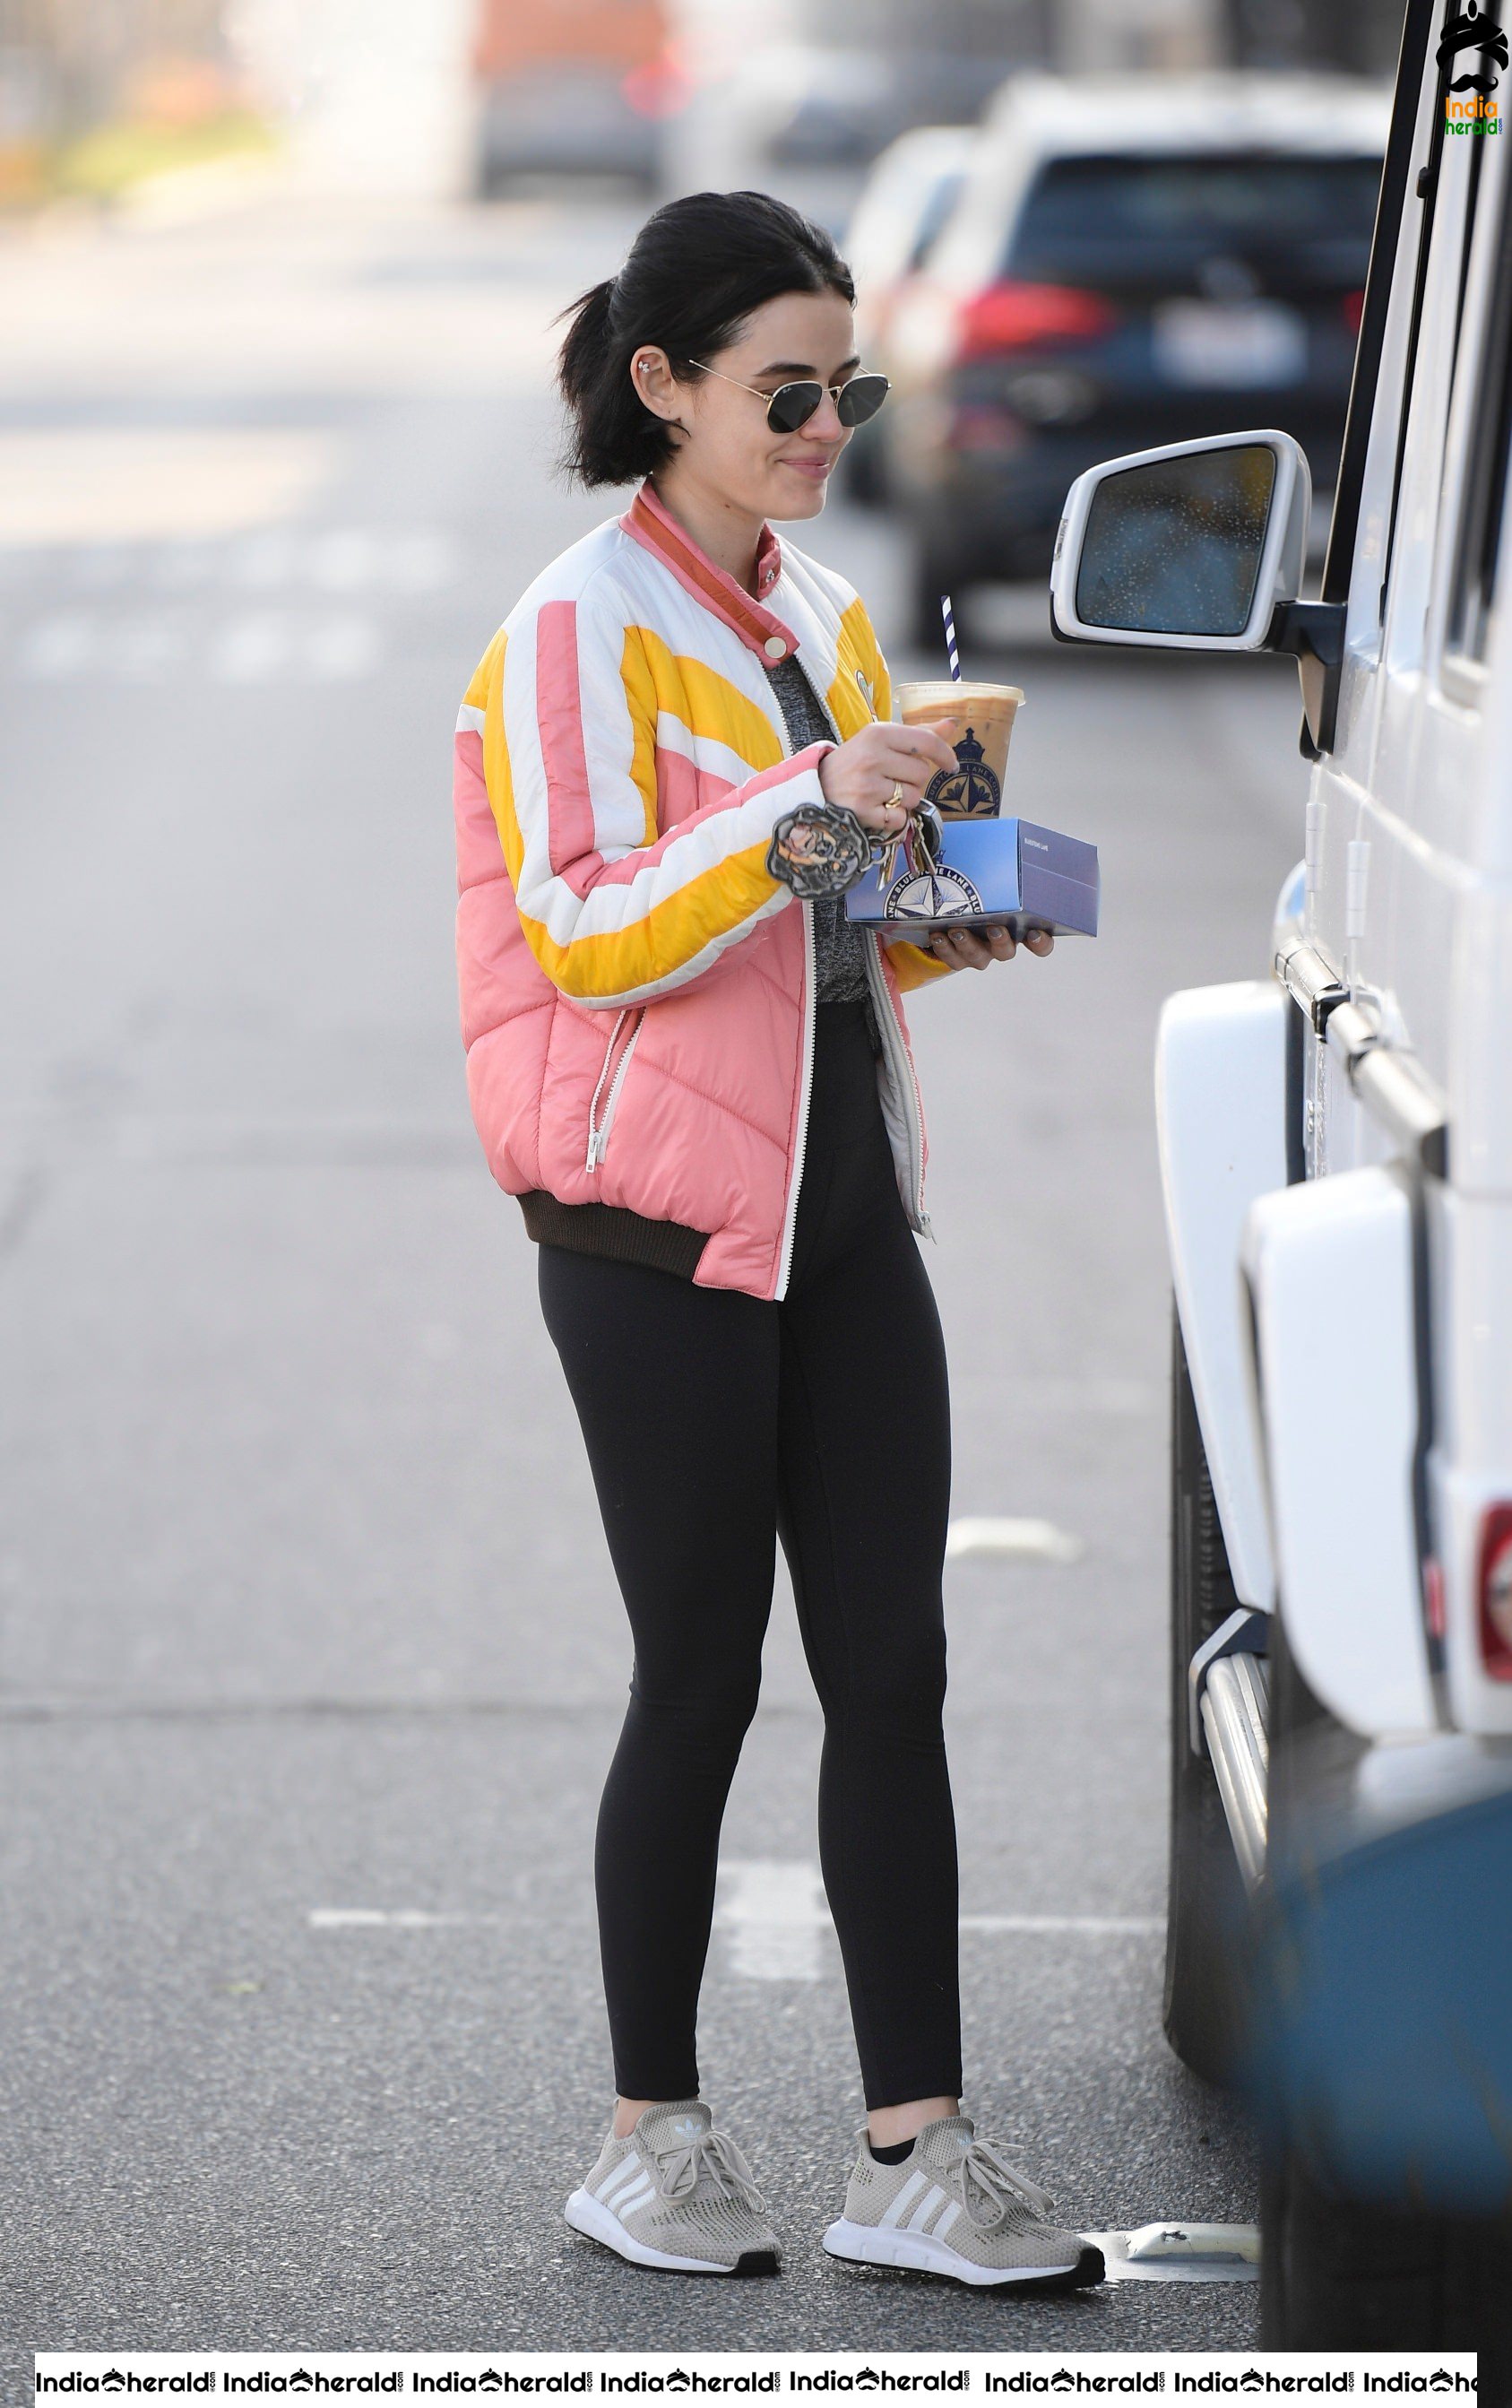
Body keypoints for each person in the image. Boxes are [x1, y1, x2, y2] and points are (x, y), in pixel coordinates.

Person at [451, 188, 1103, 2293]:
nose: (828, 423)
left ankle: (914, 2146)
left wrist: (944, 908)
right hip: (649, 1219)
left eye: (853, 388)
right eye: (785, 390)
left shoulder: (813, 601)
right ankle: (647, 2133)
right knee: (703, 1675)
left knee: (893, 1663)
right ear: (662, 386)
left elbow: (813, 915)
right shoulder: (576, 624)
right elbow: (591, 922)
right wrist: (822, 794)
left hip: (837, 1198)